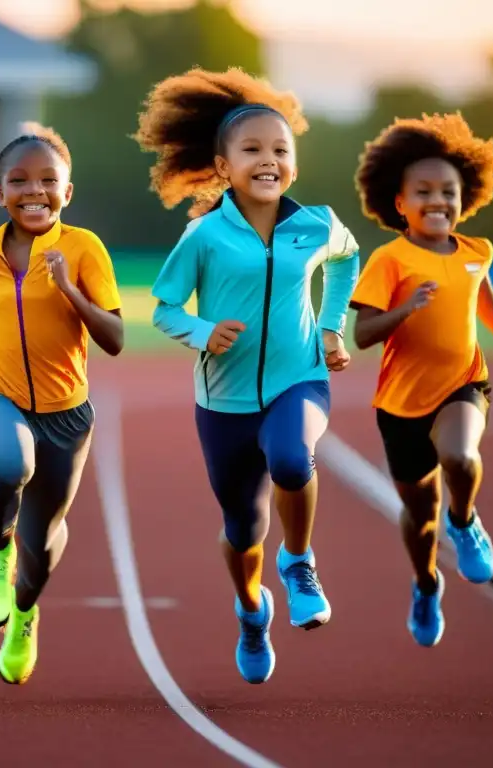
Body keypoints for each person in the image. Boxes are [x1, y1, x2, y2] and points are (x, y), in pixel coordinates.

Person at [133, 67, 361, 685]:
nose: (268, 160)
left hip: (300, 380)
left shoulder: (316, 225)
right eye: (252, 150)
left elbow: (347, 259)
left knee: (293, 458)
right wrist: (204, 334)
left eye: (280, 150)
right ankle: (251, 610)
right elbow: (162, 307)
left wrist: (333, 327)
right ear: (223, 165)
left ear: (294, 163)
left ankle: (300, 561)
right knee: (242, 528)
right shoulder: (204, 235)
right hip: (223, 401)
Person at [349, 112, 493, 648]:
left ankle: (467, 518)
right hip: (401, 403)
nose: (439, 201)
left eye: (449, 191)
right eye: (424, 191)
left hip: (464, 383)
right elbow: (363, 334)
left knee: (460, 458)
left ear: (465, 197)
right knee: (418, 514)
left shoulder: (477, 251)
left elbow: (480, 292)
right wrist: (405, 309)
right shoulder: (390, 259)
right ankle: (427, 582)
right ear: (399, 202)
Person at [0, 121, 124, 685]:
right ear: (0, 193)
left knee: (43, 542)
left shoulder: (83, 248)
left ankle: (24, 616)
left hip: (67, 417)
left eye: (48, 180)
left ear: (66, 192)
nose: (34, 191)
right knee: (10, 462)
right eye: (19, 181)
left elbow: (116, 339)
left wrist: (70, 289)